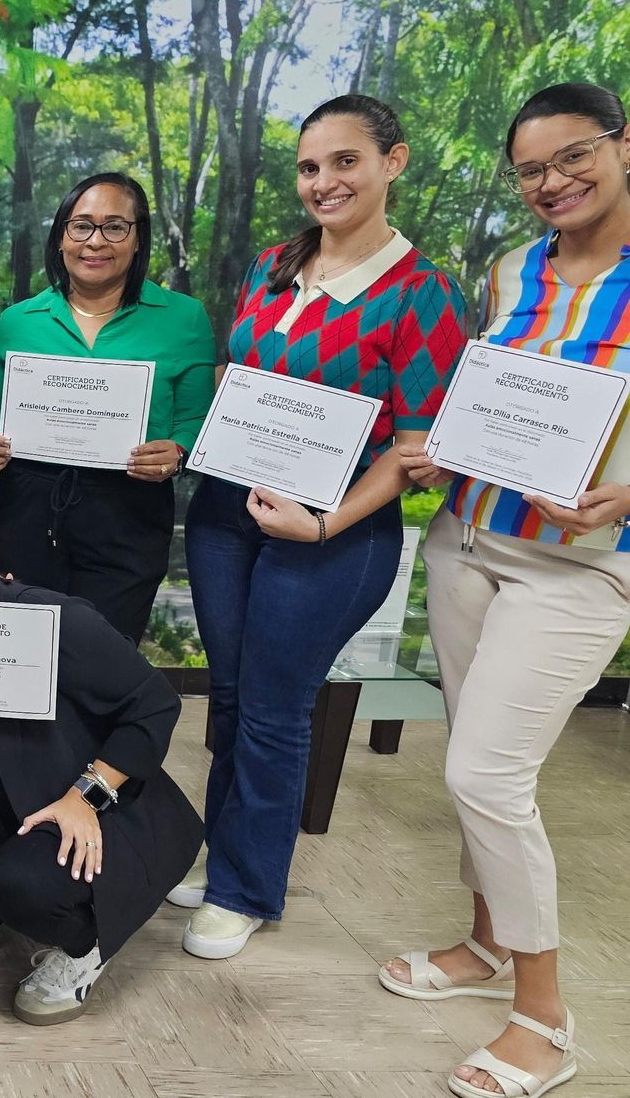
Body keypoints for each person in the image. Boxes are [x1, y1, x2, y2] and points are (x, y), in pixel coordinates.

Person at [377, 83, 630, 1098]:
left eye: (574, 157)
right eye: (531, 169)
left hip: (578, 568)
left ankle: (545, 1015)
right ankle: (484, 945)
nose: (553, 183)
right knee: (472, 758)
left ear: (624, 144)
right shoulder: (511, 269)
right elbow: (492, 393)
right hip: (469, 538)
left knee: (487, 772)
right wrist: (447, 446)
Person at [176, 94, 468, 960]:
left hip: (332, 529)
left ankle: (245, 889)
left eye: (345, 162)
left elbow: (414, 449)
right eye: (310, 167)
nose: (324, 181)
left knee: (273, 709)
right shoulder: (274, 264)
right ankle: (228, 855)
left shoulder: (424, 292)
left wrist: (326, 520)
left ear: (394, 162)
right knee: (228, 700)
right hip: (229, 512)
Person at [0, 484, 201, 1025]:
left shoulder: (47, 616)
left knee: (24, 887)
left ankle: (81, 945)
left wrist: (85, 796)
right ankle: (16, 882)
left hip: (83, 801)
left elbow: (155, 704)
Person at [0, 173, 216, 642]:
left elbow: (194, 421)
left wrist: (177, 452)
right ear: (61, 236)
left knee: (105, 655)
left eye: (115, 227)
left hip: (129, 512)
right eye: (80, 225)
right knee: (26, 650)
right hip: (28, 509)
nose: (95, 241)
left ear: (138, 237)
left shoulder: (184, 318)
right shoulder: (18, 321)